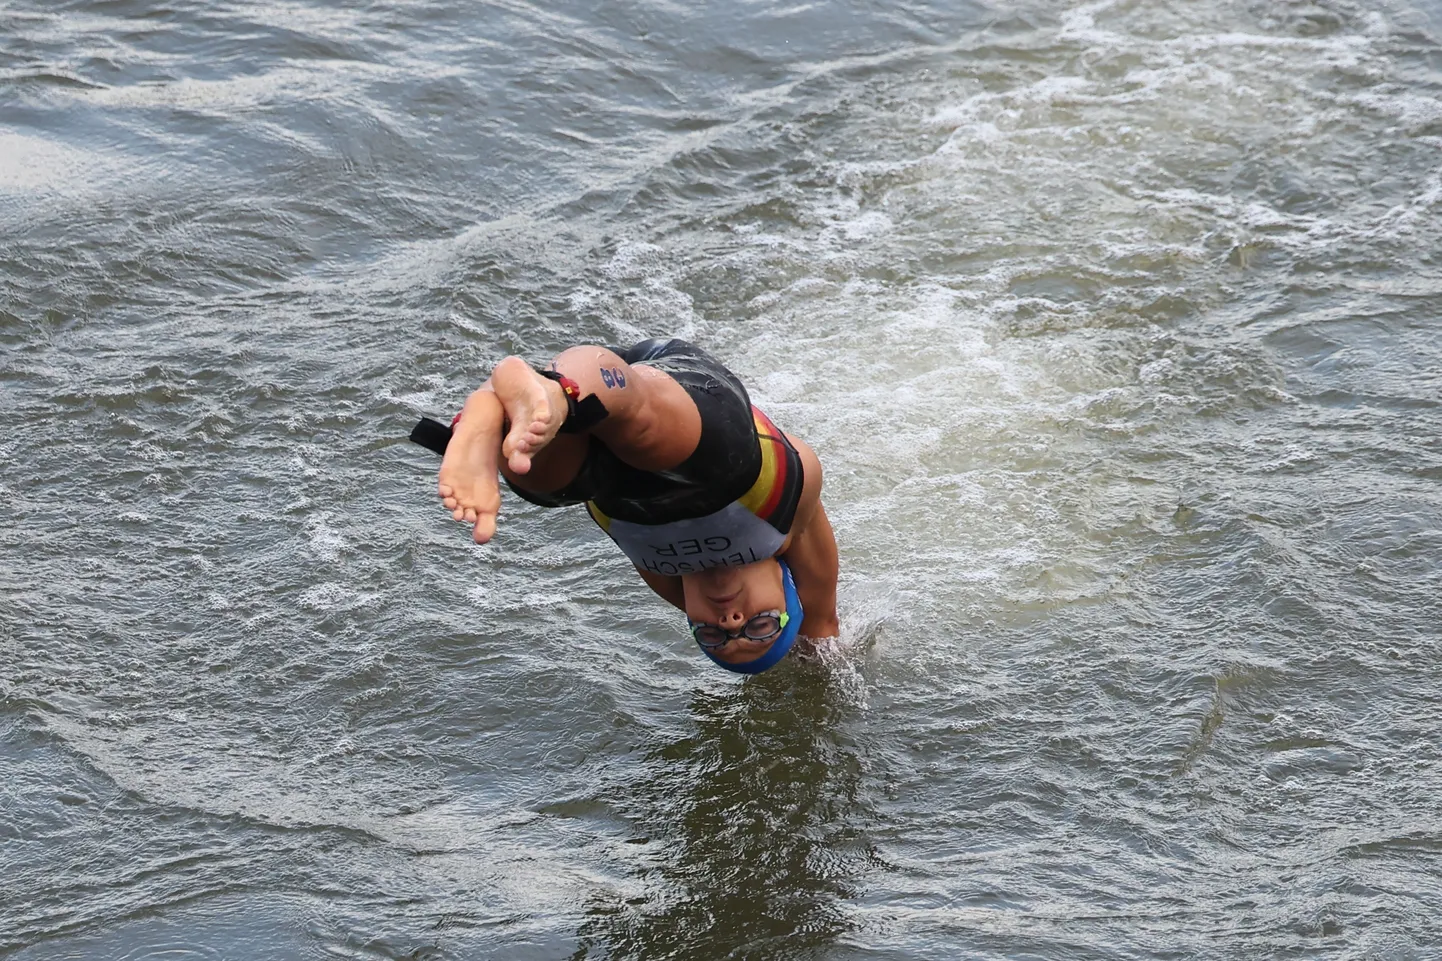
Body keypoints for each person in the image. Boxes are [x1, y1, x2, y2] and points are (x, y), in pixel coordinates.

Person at [412, 338, 839, 673]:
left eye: (710, 635)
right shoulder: (786, 530)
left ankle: (495, 415)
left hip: (616, 480)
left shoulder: (668, 575)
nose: (730, 623)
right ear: (788, 593)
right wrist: (820, 656)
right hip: (697, 422)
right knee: (655, 436)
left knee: (543, 484)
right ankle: (552, 394)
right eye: (760, 626)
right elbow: (821, 622)